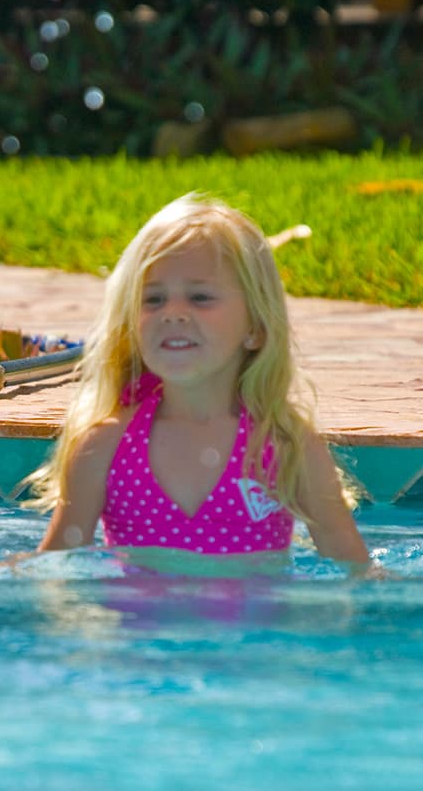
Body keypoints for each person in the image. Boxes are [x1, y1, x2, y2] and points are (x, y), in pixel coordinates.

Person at [28, 194, 370, 565]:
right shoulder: (105, 446)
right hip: (138, 625)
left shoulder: (285, 446)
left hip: (256, 626)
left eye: (200, 297)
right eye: (154, 299)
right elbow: (52, 568)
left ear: (255, 327)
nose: (173, 313)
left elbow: (355, 571)